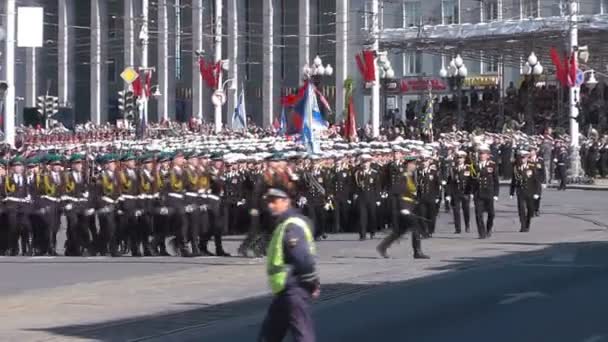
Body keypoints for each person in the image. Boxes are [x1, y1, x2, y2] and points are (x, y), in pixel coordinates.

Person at [258, 187, 320, 342]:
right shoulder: (284, 223)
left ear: (286, 201)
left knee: (302, 335)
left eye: (274, 201)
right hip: (284, 290)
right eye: (268, 202)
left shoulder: (292, 225)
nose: (270, 205)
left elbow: (302, 258)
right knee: (269, 336)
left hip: (294, 288)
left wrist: (312, 283)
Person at [376, 156, 429, 259]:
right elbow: (397, 192)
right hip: (404, 207)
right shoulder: (403, 176)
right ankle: (417, 252)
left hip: (410, 206)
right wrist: (403, 207)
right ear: (408, 165)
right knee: (416, 227)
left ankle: (382, 247)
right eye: (413, 164)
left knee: (400, 231)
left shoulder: (411, 175)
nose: (415, 166)